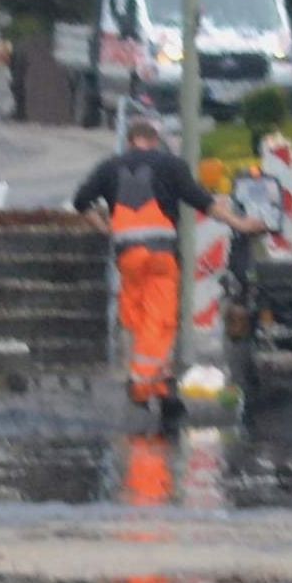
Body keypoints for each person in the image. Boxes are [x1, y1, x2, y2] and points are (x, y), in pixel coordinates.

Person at [72, 105, 217, 423]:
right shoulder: (170, 165)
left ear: (130, 141)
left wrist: (103, 226)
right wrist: (239, 221)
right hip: (161, 256)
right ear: (155, 141)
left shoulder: (111, 166)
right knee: (160, 320)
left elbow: (80, 200)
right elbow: (199, 198)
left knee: (136, 317)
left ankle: (162, 387)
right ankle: (142, 383)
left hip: (128, 257)